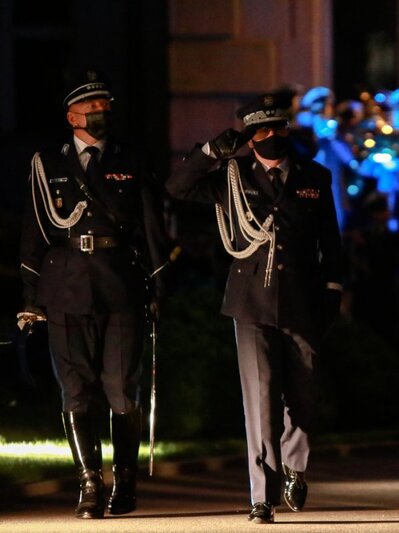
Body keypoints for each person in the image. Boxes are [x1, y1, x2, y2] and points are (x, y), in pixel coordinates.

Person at [165, 92, 342, 524]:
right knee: (260, 400)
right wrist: (213, 150)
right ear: (249, 136)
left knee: (302, 396)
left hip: (302, 299)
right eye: (261, 131)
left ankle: (295, 468)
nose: (272, 136)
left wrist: (333, 292)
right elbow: (177, 187)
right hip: (250, 302)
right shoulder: (231, 175)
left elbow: (329, 241)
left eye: (278, 127)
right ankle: (261, 496)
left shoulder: (313, 176)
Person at [17, 69, 169, 519]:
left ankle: (125, 479)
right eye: (92, 107)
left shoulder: (131, 159)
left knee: (122, 389)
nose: (101, 112)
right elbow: (34, 234)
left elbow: (152, 230)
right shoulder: (47, 164)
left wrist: (160, 286)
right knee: (76, 390)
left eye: (106, 106)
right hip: (64, 286)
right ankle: (89, 483)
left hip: (120, 284)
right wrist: (30, 297)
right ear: (72, 116)